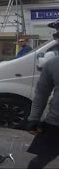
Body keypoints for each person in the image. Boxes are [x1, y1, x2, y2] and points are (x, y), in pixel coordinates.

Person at [25, 21, 59, 169]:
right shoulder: (53, 64)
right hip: (55, 125)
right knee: (38, 162)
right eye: (57, 34)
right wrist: (33, 118)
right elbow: (41, 94)